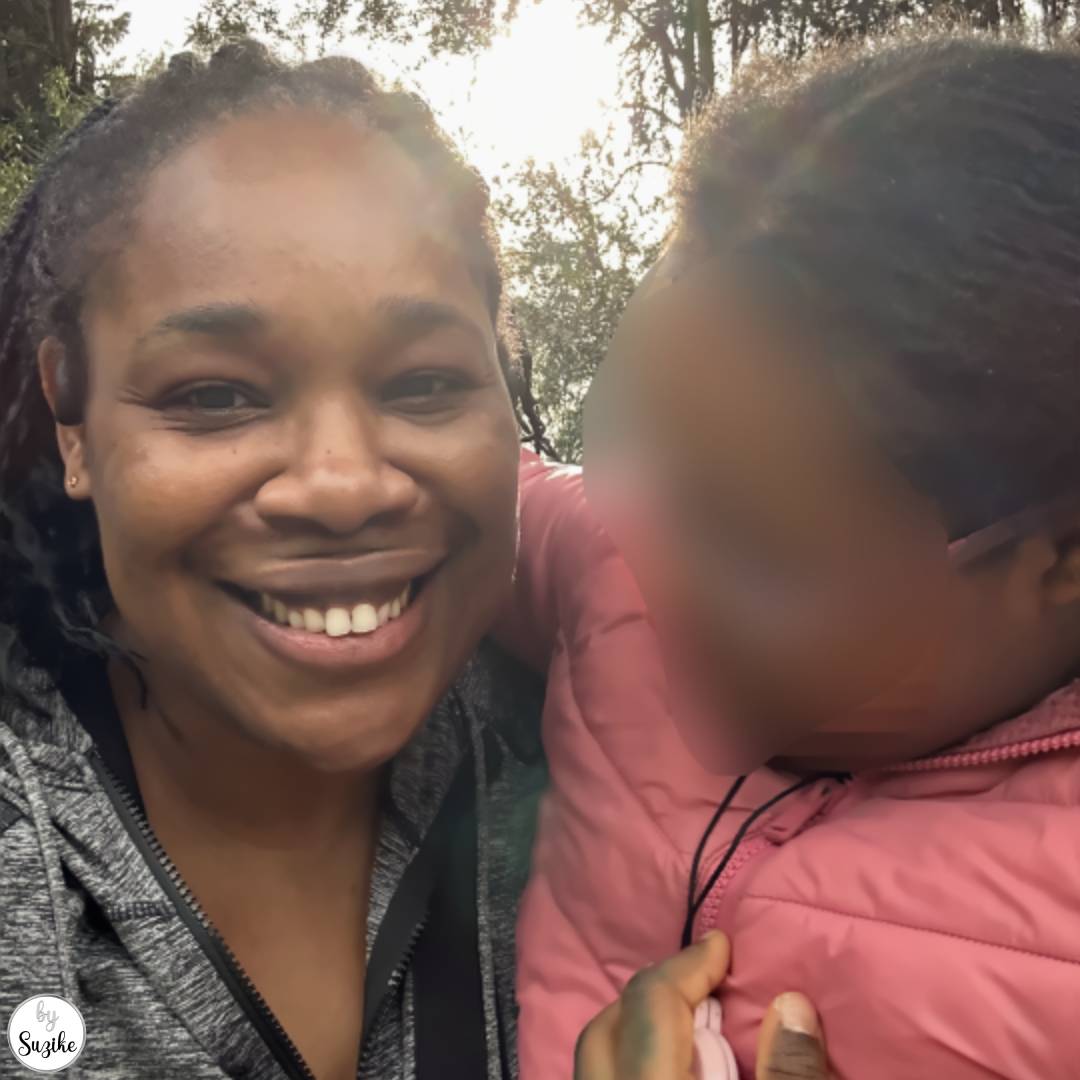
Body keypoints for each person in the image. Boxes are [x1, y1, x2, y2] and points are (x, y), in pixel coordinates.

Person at [502, 35, 1080, 1079]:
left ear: (1060, 555)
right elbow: (464, 492)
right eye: (647, 461)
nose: (658, 571)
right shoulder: (620, 573)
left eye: (752, 548)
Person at [0, 40, 548, 1080]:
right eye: (216, 395)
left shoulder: (645, 780)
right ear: (71, 421)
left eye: (425, 383)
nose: (343, 486)